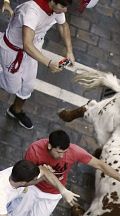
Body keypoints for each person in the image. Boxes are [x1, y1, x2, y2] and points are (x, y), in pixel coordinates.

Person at [10, 129, 120, 216]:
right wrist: (43, 176)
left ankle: (21, 209)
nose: (62, 156)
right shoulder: (34, 150)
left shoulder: (74, 151)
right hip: (33, 187)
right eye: (59, 152)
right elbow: (29, 177)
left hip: (52, 194)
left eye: (64, 152)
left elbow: (100, 165)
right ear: (49, 146)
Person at [0, 0, 75, 131]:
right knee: (12, 87)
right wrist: (49, 63)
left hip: (33, 51)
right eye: (63, 6)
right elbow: (27, 44)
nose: (65, 10)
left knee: (28, 86)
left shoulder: (56, 9)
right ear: (53, 1)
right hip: (13, 50)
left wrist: (69, 50)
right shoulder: (32, 11)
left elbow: (63, 26)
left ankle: (15, 110)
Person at [0, 159, 78, 216]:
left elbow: (44, 172)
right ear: (24, 183)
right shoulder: (2, 194)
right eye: (34, 180)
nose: (38, 180)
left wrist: (63, 190)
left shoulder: (17, 172)